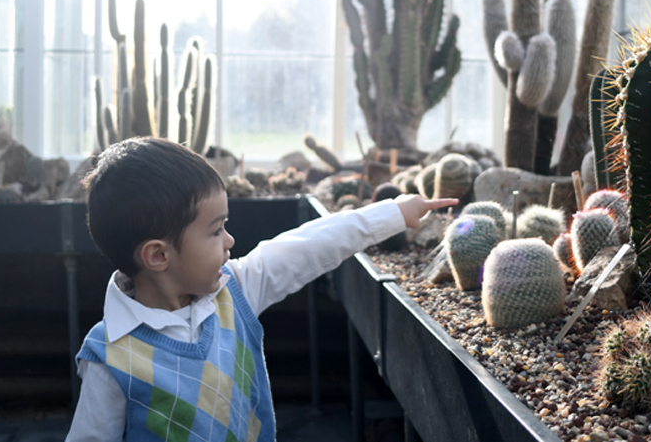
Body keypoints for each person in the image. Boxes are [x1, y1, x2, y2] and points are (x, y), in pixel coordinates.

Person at [65, 137, 456, 441]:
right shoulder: (110, 357)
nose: (230, 241)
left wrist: (391, 214)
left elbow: (307, 246)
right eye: (215, 230)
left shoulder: (233, 293)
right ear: (157, 256)